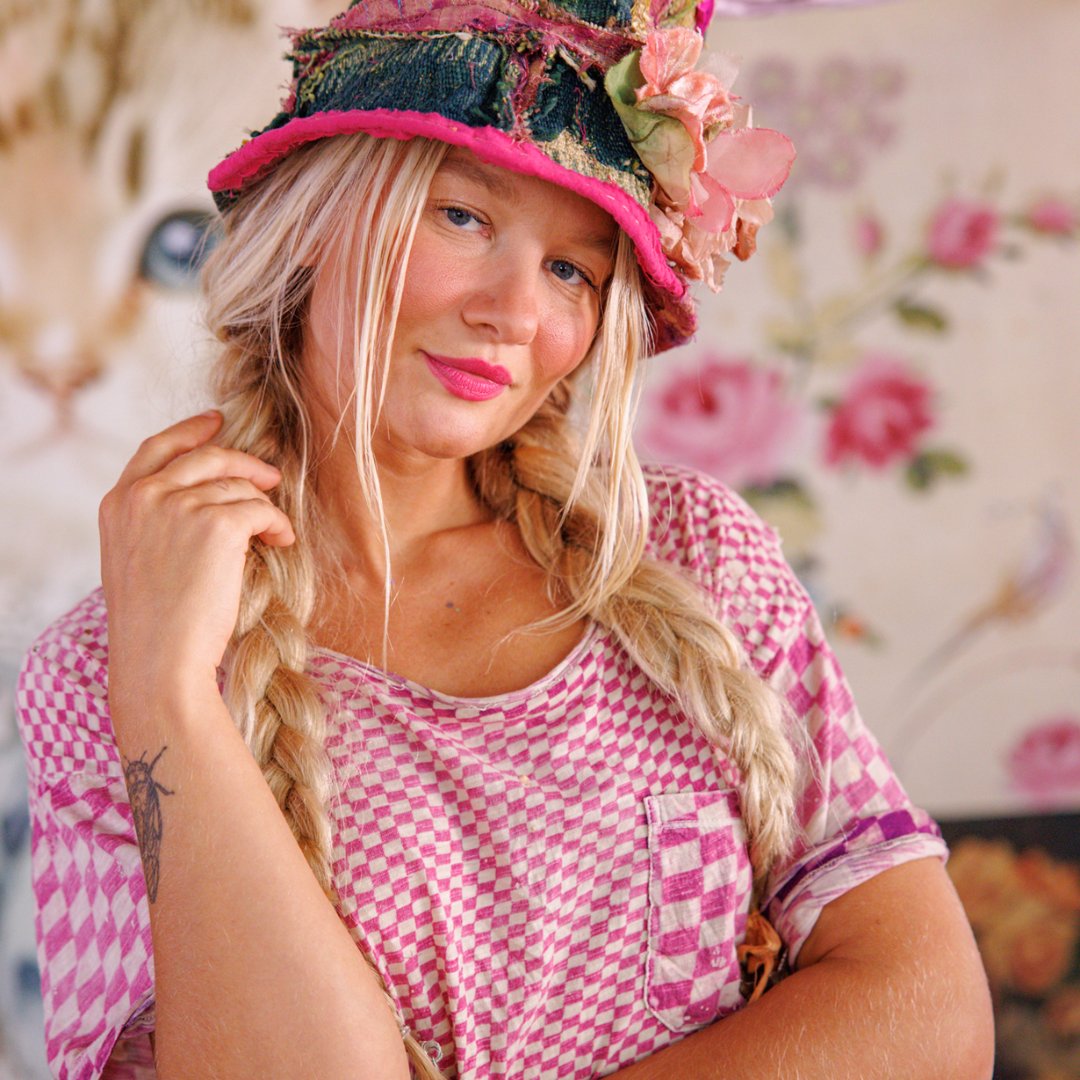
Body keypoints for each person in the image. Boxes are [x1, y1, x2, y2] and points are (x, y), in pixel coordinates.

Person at [16, 2, 994, 1078]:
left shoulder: (691, 555)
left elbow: (928, 1013)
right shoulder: (107, 674)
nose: (516, 313)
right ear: (311, 222)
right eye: (464, 218)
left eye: (572, 270)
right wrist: (171, 707)